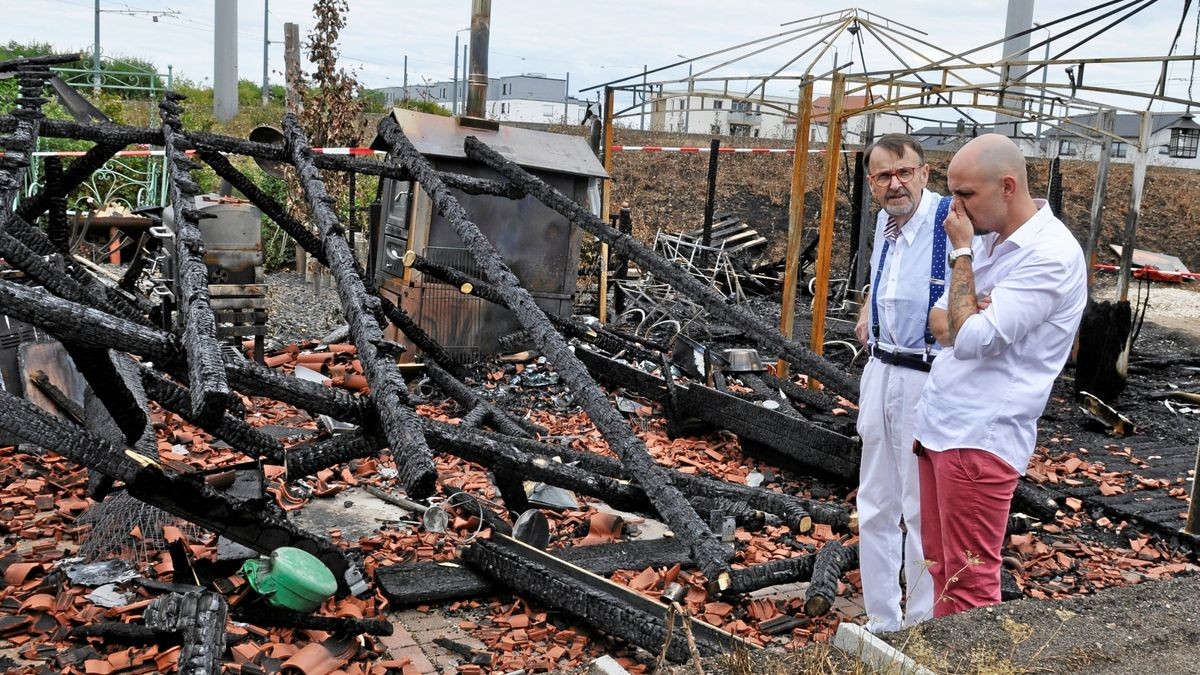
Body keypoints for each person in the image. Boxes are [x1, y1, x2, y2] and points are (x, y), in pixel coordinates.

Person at [913, 133, 1087, 617]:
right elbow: (939, 319)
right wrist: (966, 313)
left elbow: (968, 337)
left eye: (965, 194)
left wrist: (961, 256)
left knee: (969, 583)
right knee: (941, 569)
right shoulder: (994, 244)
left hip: (979, 437)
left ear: (1007, 186)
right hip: (943, 427)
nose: (955, 208)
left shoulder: (1047, 255)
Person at [853, 133, 952, 632]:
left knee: (919, 510)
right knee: (873, 504)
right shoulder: (885, 226)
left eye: (904, 172)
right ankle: (881, 622)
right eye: (883, 176)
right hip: (881, 370)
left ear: (924, 173)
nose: (895, 184)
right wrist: (871, 306)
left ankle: (920, 627)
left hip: (927, 378)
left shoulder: (951, 221)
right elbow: (889, 282)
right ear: (872, 183)